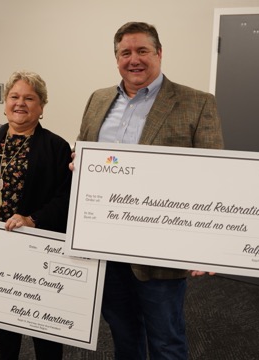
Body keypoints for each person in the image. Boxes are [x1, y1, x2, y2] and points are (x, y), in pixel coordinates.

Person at [75, 22, 223, 359]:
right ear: (117, 59)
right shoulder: (98, 100)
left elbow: (213, 178)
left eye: (142, 50)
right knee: (123, 331)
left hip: (160, 247)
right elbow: (84, 151)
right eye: (125, 52)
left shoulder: (196, 102)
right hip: (105, 242)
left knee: (166, 339)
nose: (134, 59)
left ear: (159, 53)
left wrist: (207, 245)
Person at [0, 70, 72, 360]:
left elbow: (65, 198)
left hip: (37, 246)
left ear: (42, 106)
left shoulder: (56, 146)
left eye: (29, 98)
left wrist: (32, 220)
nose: (20, 103)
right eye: (14, 97)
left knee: (43, 319)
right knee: (5, 313)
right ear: (5, 102)